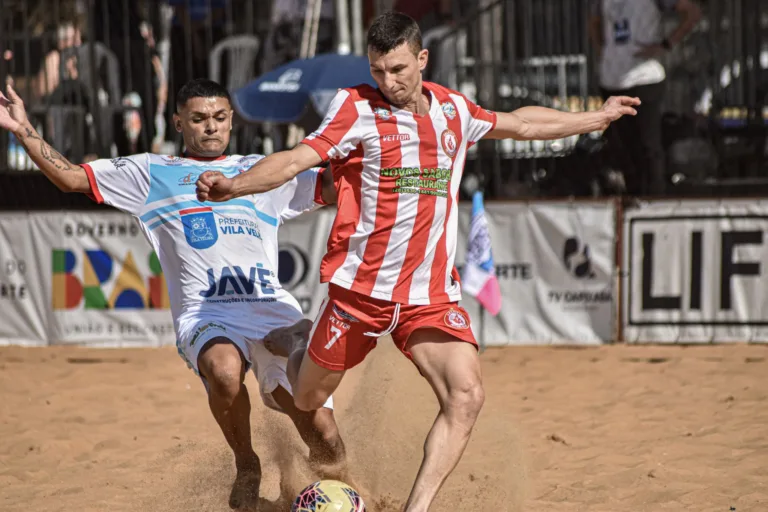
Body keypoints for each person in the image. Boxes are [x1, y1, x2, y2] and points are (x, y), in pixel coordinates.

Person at [195, 12, 639, 511]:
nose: (388, 82)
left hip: (427, 296)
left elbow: (520, 123)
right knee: (304, 400)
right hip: (359, 292)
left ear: (422, 59)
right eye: (378, 70)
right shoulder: (354, 107)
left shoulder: (453, 109)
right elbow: (298, 158)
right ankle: (298, 341)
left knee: (466, 395)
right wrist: (237, 185)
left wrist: (595, 118)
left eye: (399, 69)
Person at [0, 78, 347, 510]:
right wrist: (23, 130)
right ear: (178, 122)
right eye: (199, 119)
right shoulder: (151, 172)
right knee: (223, 371)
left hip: (272, 310)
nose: (210, 127)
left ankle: (335, 488)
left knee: (324, 436)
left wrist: (366, 150)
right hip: (207, 314)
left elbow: (336, 188)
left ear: (232, 119)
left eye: (219, 118)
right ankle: (246, 463)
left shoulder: (261, 170)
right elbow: (71, 178)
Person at [589, 0, 702, 196]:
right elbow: (594, 22)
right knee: (621, 146)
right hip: (612, 80)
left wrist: (666, 44)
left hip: (644, 77)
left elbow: (692, 13)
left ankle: (654, 198)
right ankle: (632, 195)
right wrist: (604, 53)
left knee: (647, 145)